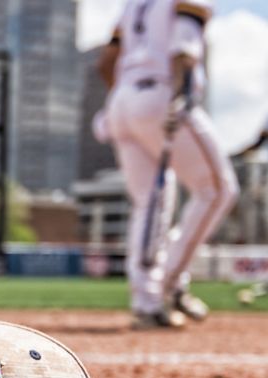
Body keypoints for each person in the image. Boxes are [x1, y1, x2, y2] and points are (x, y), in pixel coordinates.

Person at [98, 0, 238, 329]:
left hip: (120, 103)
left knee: (149, 201)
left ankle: (146, 301)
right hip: (161, 91)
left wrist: (126, 97)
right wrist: (178, 95)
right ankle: (170, 284)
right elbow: (183, 48)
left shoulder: (135, 4)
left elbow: (105, 63)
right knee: (218, 190)